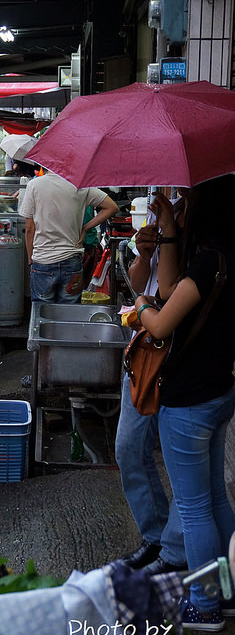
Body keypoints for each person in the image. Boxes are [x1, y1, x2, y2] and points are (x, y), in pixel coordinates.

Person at [131, 176, 235, 631]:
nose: (183, 204)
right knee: (214, 499)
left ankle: (204, 603)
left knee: (194, 509)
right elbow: (171, 283)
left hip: (189, 401)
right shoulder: (223, 258)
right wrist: (169, 227)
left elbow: (160, 323)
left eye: (189, 201)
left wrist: (139, 307)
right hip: (218, 391)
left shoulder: (208, 264)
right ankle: (227, 594)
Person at [115, 191, 188, 575]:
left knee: (184, 467)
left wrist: (171, 234)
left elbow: (166, 293)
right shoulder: (171, 210)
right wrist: (145, 253)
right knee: (129, 449)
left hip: (180, 355)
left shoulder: (203, 222)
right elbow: (142, 282)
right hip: (147, 352)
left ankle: (175, 550)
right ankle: (158, 537)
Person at [18, 171, 118, 303]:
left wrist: (31, 258)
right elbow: (112, 207)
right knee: (69, 314)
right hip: (72, 262)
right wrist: (86, 228)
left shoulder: (34, 185)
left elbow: (30, 229)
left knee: (42, 315)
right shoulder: (80, 186)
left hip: (43, 261)